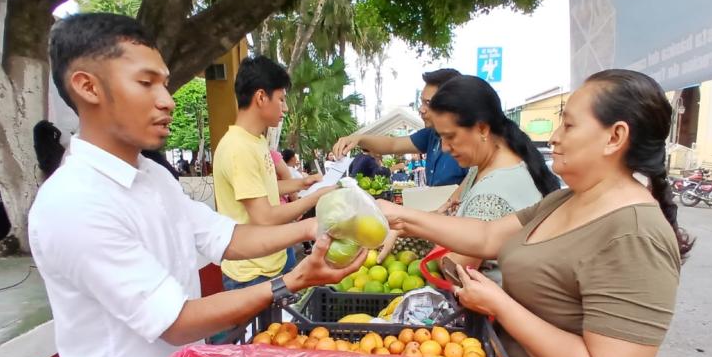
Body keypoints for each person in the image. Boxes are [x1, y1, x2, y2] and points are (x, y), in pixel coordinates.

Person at [28, 13, 365, 357]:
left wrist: (309, 228)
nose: (167, 99)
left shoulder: (154, 180)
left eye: (164, 83)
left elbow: (230, 237)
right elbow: (176, 321)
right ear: (87, 86)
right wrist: (290, 282)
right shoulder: (73, 203)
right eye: (146, 82)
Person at [377, 69, 693, 357]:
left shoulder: (634, 233)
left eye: (570, 123)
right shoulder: (563, 201)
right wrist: (396, 215)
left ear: (615, 137)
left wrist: (500, 304)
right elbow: (487, 237)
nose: (555, 135)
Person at [213, 56, 331, 295]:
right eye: (281, 99)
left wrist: (301, 182)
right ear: (260, 97)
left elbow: (260, 191)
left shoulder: (255, 141)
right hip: (252, 273)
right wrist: (315, 197)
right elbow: (264, 217)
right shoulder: (239, 148)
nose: (285, 108)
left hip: (274, 259)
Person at [424, 75, 560, 282]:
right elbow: (450, 208)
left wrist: (436, 243)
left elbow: (457, 269)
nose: (444, 147)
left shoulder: (491, 195)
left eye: (450, 136)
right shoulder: (489, 166)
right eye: (440, 136)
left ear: (482, 129)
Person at [332, 68, 468, 187]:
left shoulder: (470, 144)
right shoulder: (430, 134)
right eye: (421, 102)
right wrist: (358, 138)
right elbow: (393, 144)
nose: (421, 109)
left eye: (429, 103)